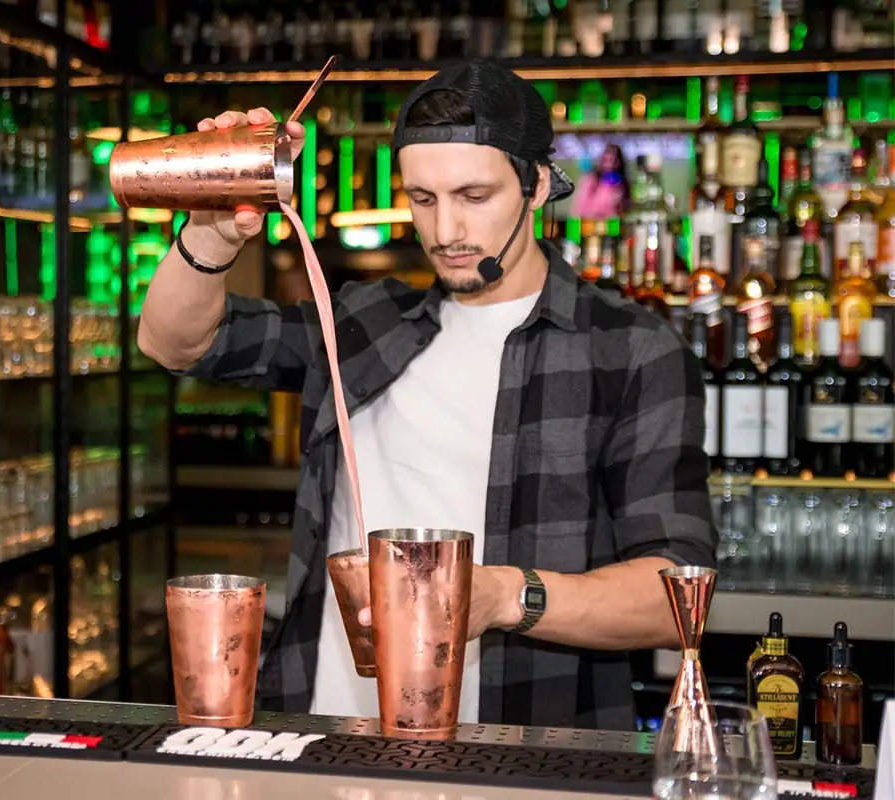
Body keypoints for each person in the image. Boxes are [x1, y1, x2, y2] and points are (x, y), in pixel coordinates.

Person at [138, 59, 718, 731]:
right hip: (326, 733)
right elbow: (176, 342)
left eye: (474, 196)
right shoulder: (363, 322)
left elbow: (678, 599)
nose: (445, 231)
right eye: (423, 198)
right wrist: (211, 228)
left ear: (536, 185)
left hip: (518, 747)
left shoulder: (629, 349)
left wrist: (503, 596)